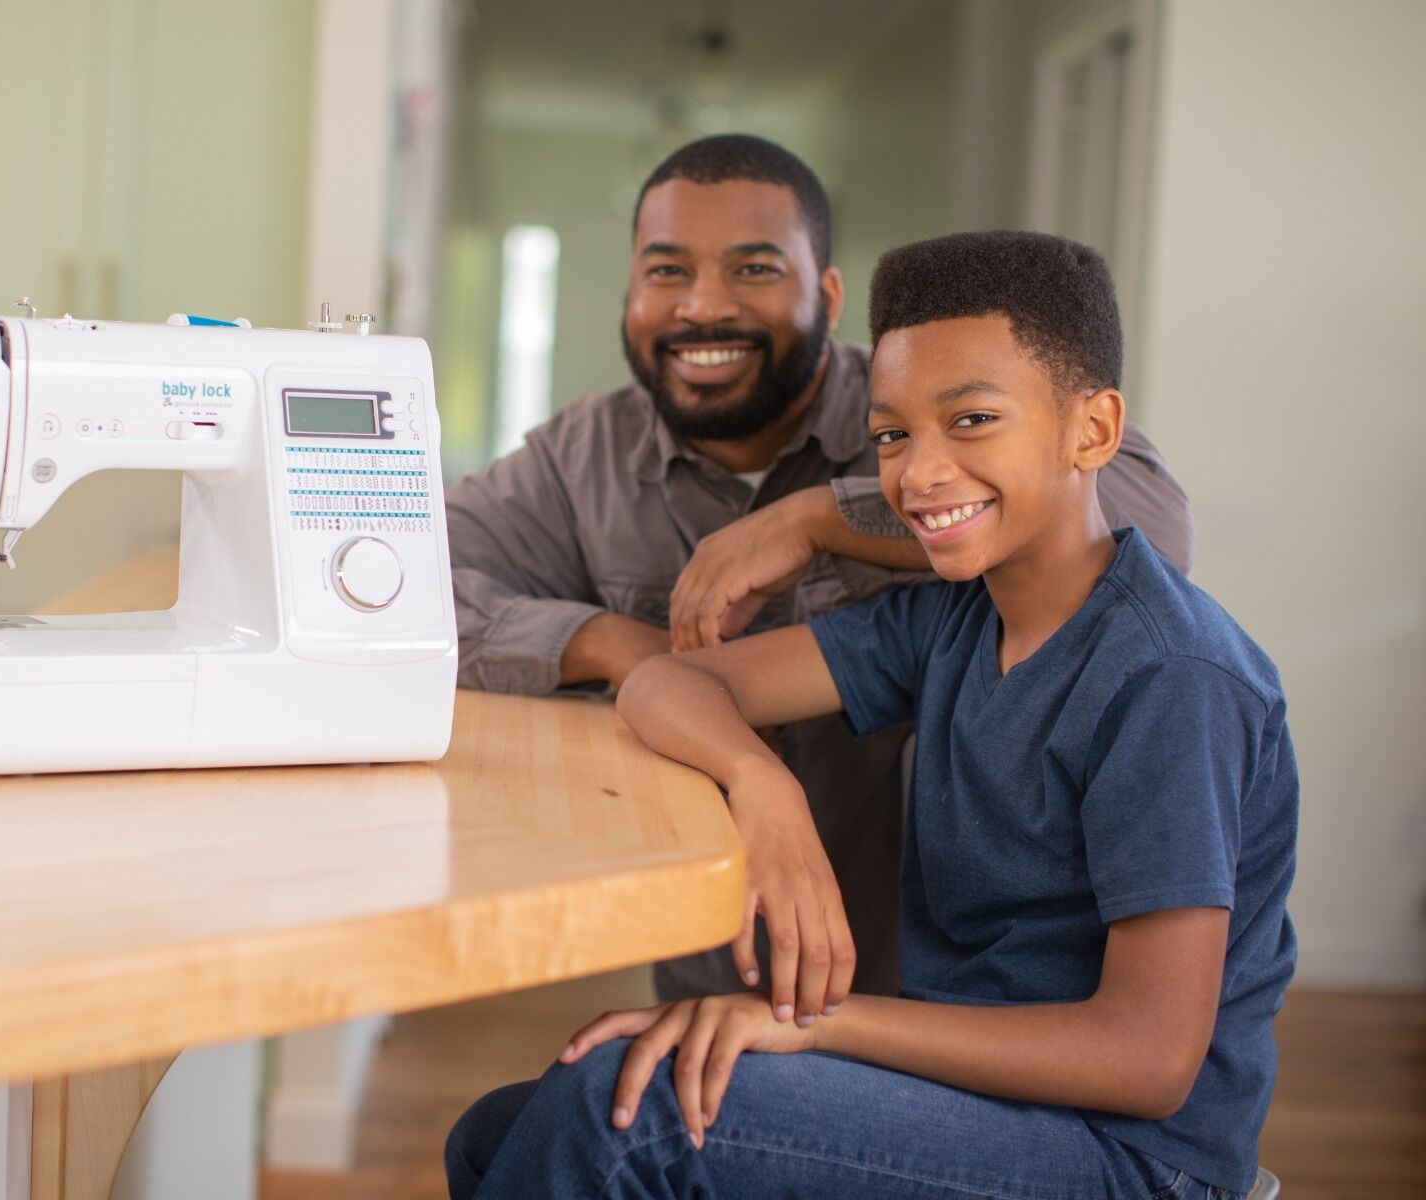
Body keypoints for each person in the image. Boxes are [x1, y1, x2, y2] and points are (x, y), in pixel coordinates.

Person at [445, 231, 1298, 1199]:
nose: (919, 474)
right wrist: (762, 786)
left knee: (619, 1121)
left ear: (1092, 432)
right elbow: (668, 685)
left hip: (1131, 1155)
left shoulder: (1172, 676)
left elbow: (1147, 1059)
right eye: (893, 435)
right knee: (497, 1134)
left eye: (971, 420)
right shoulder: (949, 622)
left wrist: (816, 1020)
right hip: (972, 1093)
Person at [447, 133, 1195, 1009]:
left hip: (938, 995)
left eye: (755, 269)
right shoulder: (579, 457)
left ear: (828, 296)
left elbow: (1146, 520)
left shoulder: (915, 409)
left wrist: (818, 519)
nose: (702, 307)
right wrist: (616, 643)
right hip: (713, 972)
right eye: (666, 271)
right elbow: (408, 600)